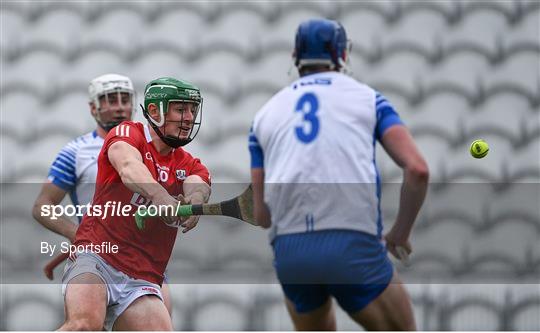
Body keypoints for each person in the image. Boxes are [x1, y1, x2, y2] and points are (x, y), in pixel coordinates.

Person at [249, 19, 429, 330]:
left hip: (292, 252)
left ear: (295, 54)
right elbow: (417, 170)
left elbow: (262, 215)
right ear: (341, 54)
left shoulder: (265, 114)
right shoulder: (369, 99)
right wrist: (400, 233)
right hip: (351, 243)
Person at [56, 77, 211, 330]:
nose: (189, 117)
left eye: (193, 110)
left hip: (142, 277)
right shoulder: (127, 134)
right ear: (154, 111)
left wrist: (192, 205)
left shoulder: (191, 163)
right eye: (181, 109)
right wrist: (161, 197)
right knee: (84, 325)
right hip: (97, 255)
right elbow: (129, 168)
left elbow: (198, 186)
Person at [32, 73, 174, 317]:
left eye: (125, 99)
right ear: (93, 107)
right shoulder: (75, 152)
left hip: (144, 260)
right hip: (96, 257)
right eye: (109, 99)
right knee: (86, 325)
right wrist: (77, 234)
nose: (119, 107)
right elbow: (42, 206)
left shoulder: (156, 148)